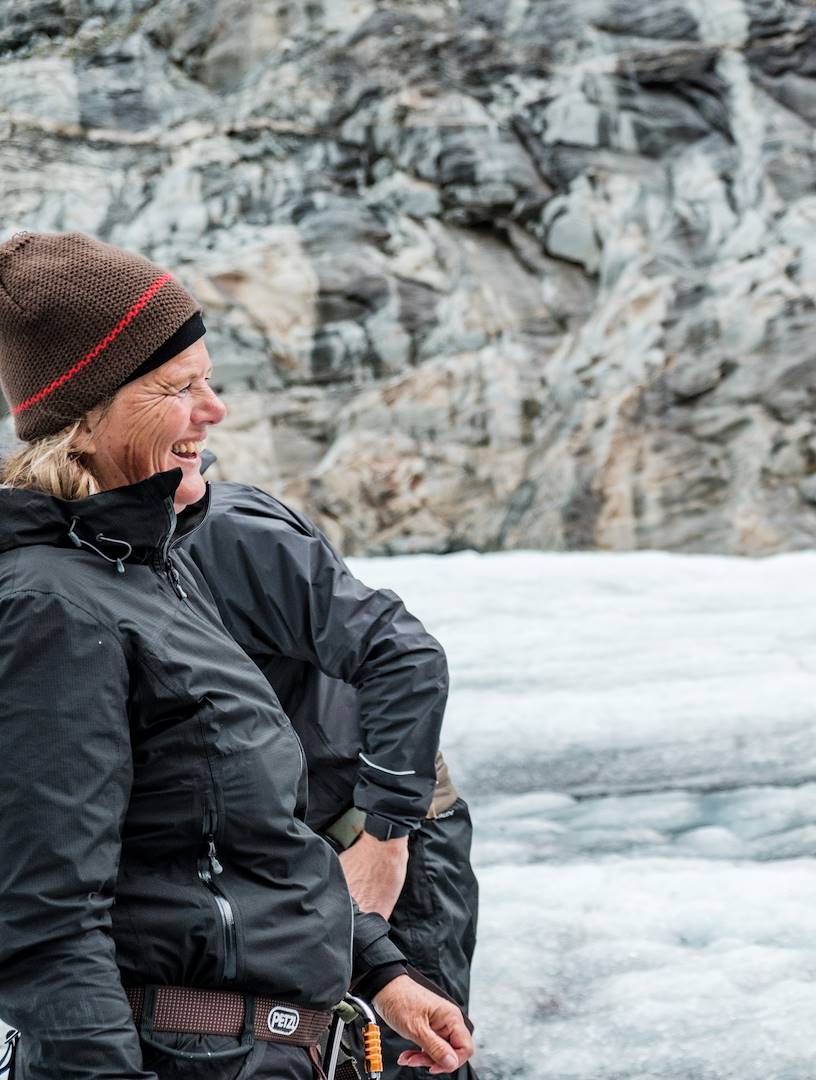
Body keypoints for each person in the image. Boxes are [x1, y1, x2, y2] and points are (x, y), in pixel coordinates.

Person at [0, 231, 473, 1080]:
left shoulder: (155, 570)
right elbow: (44, 919)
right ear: (86, 419)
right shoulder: (54, 608)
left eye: (208, 380)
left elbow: (241, 836)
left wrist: (380, 968)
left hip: (282, 1039)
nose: (213, 410)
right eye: (179, 387)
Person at [182, 457, 479, 1080]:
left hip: (374, 822)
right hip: (276, 846)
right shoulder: (96, 561)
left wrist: (384, 839)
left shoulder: (228, 535)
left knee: (408, 1055)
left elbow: (406, 658)